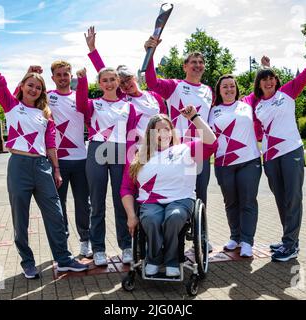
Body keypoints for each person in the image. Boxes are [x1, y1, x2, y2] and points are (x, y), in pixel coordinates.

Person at [0, 31, 88, 278]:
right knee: (21, 218)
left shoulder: (45, 114)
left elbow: (51, 145)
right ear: (23, 86)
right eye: (30, 85)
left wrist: (56, 170)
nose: (35, 89)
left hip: (43, 167)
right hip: (18, 165)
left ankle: (63, 258)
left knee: (56, 214)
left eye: (38, 87)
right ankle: (27, 261)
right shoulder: (11, 106)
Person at [244, 24, 306, 262]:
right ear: (258, 84)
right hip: (270, 156)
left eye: (271, 79)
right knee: (280, 198)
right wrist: (264, 68)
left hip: (290, 152)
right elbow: (257, 131)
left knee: (293, 197)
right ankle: (289, 240)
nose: (268, 82)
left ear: (276, 81)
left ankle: (291, 245)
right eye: (263, 80)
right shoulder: (256, 104)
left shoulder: (288, 92)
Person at [121, 106, 217, 277]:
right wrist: (131, 215)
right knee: (151, 219)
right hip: (150, 202)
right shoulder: (138, 157)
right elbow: (126, 188)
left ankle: (172, 259)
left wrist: (194, 117)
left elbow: (212, 142)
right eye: (158, 130)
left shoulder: (186, 149)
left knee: (174, 216)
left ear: (172, 131)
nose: (163, 133)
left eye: (167, 129)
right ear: (150, 134)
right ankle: (154, 259)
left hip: (181, 199)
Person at [29, 60, 93, 258]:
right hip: (57, 162)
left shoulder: (80, 98)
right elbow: (21, 98)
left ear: (71, 76)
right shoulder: (46, 98)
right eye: (59, 75)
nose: (63, 78)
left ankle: (85, 241)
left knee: (83, 203)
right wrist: (29, 74)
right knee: (59, 205)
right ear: (53, 78)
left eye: (66, 74)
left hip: (81, 159)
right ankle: (62, 244)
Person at [76, 66, 137, 266]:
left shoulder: (129, 106)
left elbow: (131, 135)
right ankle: (98, 249)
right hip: (98, 149)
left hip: (121, 151)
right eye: (105, 80)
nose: (109, 83)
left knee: (122, 200)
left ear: (118, 82)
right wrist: (83, 81)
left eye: (113, 79)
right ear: (99, 83)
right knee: (97, 202)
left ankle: (126, 246)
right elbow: (80, 105)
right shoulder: (94, 104)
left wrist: (131, 159)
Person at [143, 36, 213, 209]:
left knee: (201, 196)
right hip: (178, 150)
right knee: (178, 195)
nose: (197, 65)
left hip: (201, 149)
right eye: (193, 62)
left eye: (200, 62)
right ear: (185, 66)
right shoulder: (175, 85)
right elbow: (152, 82)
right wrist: (150, 54)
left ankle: (201, 235)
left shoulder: (208, 90)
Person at [84, 26, 167, 145]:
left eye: (128, 79)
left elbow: (165, 119)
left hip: (159, 146)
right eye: (121, 83)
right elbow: (103, 71)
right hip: (135, 149)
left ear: (135, 77)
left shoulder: (154, 96)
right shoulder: (122, 98)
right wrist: (92, 48)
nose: (126, 85)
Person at [209, 75, 262, 258]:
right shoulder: (212, 110)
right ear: (219, 90)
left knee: (247, 202)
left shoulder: (246, 104)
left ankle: (247, 241)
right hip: (224, 164)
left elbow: (260, 87)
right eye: (225, 86)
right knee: (231, 202)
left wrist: (263, 68)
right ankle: (235, 237)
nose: (229, 89)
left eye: (232, 86)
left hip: (249, 161)